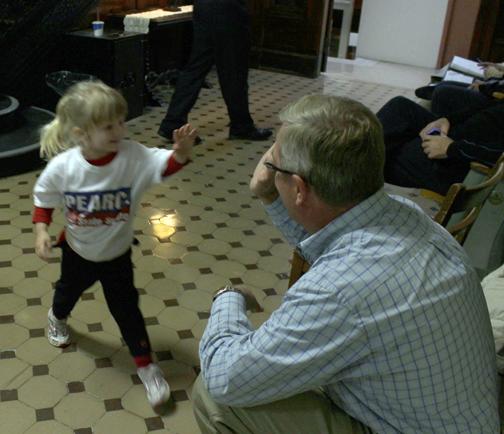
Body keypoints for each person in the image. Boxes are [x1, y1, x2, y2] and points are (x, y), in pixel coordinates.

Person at [192, 94, 499, 434]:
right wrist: (269, 194)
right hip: (454, 418)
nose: (268, 170)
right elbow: (334, 244)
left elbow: (225, 377)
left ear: (298, 188)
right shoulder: (403, 214)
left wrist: (227, 297)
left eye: (273, 165)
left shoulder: (337, 291)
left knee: (214, 397)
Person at [32, 80, 197, 409]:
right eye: (109, 126)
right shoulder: (64, 168)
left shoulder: (132, 156)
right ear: (81, 134)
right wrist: (41, 231)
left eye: (121, 121)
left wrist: (181, 152)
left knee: (127, 309)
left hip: (117, 254)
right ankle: (57, 316)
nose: (119, 130)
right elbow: (44, 200)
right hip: (78, 251)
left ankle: (146, 365)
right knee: (67, 292)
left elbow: (164, 165)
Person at [157, 0, 272, 143]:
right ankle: (241, 126)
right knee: (234, 71)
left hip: (205, 7)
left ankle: (172, 123)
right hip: (228, 9)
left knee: (196, 68)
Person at [376, 94, 504, 194]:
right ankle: (358, 160)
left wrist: (452, 148)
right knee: (400, 106)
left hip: (465, 163)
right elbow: (490, 107)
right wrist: (447, 119)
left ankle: (359, 169)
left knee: (389, 154)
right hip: (458, 137)